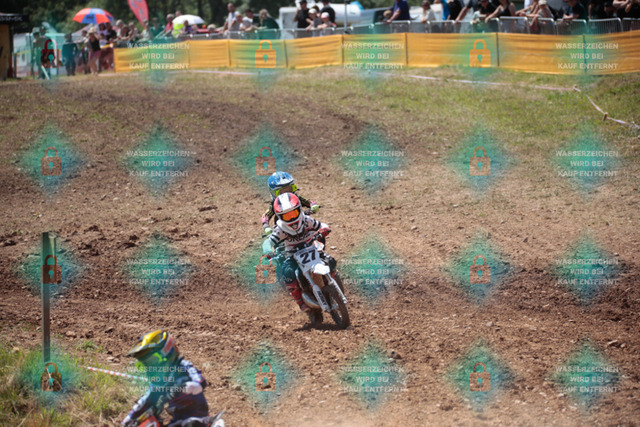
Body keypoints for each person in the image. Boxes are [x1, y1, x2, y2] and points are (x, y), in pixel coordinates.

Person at [121, 330, 219, 427]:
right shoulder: (159, 381)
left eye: (152, 361)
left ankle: (211, 423)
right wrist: (129, 418)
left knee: (191, 424)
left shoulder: (183, 367)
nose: (149, 367)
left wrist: (186, 386)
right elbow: (147, 399)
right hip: (177, 420)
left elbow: (200, 381)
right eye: (144, 364)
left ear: (167, 352)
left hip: (197, 417)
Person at [265, 193, 331, 315]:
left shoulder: (306, 220)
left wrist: (324, 229)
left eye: (293, 213)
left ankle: (332, 282)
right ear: (280, 216)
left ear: (299, 209)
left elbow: (320, 225)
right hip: (293, 254)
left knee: (329, 260)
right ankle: (300, 301)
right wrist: (268, 251)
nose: (291, 218)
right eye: (287, 215)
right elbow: (268, 242)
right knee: (287, 271)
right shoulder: (280, 229)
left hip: (311, 248)